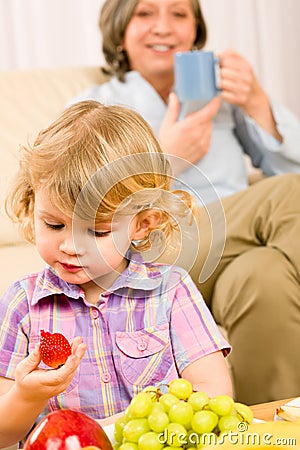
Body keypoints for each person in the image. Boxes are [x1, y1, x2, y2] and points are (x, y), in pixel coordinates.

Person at [70, 0, 300, 405]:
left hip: (234, 250)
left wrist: (257, 101)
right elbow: (79, 207)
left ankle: (271, 429)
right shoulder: (94, 106)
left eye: (179, 14)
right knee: (290, 193)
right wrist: (163, 161)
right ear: (120, 30)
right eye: (144, 14)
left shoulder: (222, 99)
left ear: (195, 30)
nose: (164, 27)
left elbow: (287, 163)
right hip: (151, 253)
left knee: (266, 277)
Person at [0, 100, 232, 448]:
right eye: (54, 224)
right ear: (33, 206)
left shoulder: (171, 291)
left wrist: (117, 427)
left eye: (97, 231)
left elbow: (214, 395)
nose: (71, 246)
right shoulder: (24, 304)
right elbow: (4, 435)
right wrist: (26, 395)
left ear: (142, 223)